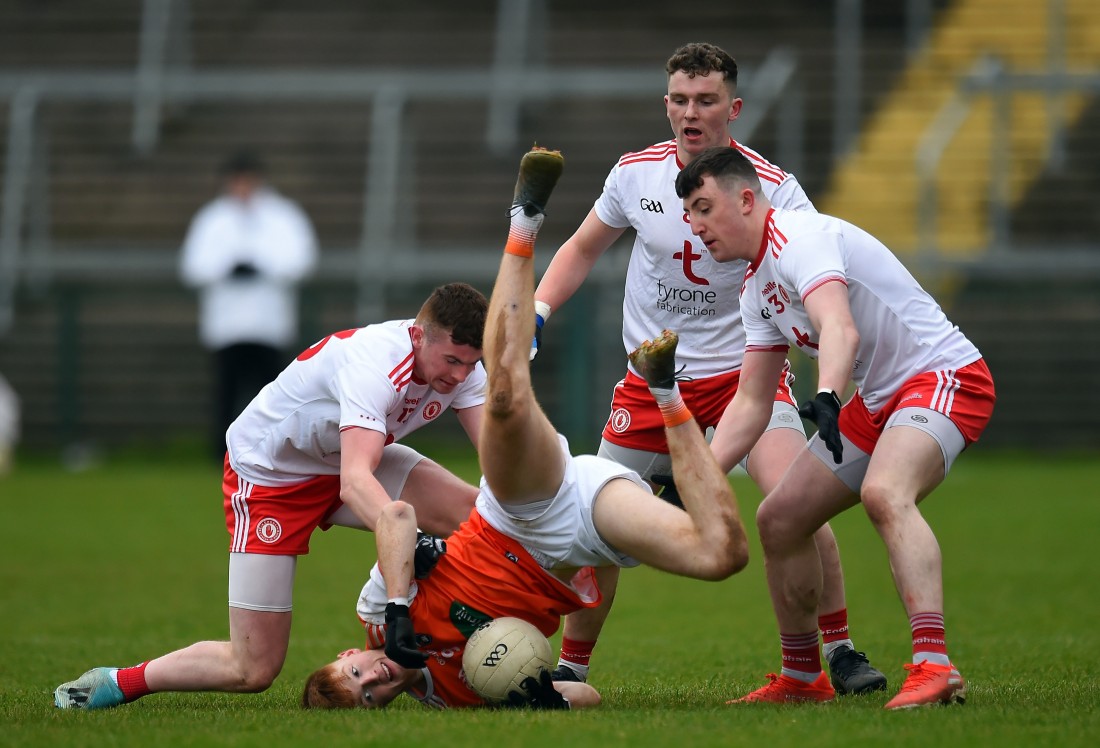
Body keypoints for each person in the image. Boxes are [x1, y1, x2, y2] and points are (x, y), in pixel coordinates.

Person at [300, 146, 749, 711]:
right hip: (572, 545)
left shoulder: (375, 617)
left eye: (358, 671)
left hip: (521, 512)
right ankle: (666, 393)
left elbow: (398, 524)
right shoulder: (456, 699)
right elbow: (588, 697)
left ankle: (524, 220)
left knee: (506, 397)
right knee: (722, 556)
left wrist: (397, 605)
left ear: (349, 650)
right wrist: (541, 698)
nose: (377, 676)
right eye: (372, 695)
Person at [532, 41, 885, 695]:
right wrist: (540, 309)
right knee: (595, 517)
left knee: (795, 506)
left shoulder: (774, 188)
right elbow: (582, 248)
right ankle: (571, 668)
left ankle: (839, 652)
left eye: (706, 100)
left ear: (734, 107)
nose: (690, 113)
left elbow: (813, 264)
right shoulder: (634, 174)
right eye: (679, 100)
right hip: (650, 382)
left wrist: (826, 350)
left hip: (743, 378)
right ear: (665, 103)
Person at [53, 282, 491, 710]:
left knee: (483, 515)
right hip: (272, 477)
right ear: (417, 336)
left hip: (346, 454)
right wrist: (399, 605)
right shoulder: (373, 366)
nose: (458, 375)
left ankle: (561, 656)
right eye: (451, 360)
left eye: (470, 364)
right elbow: (355, 482)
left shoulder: (465, 371)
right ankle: (117, 683)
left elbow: (501, 473)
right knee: (253, 668)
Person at [675, 145, 995, 708]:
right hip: (879, 400)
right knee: (779, 517)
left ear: (746, 199)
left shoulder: (801, 237)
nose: (696, 227)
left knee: (885, 492)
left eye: (703, 208)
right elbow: (750, 402)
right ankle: (803, 676)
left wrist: (826, 393)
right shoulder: (756, 286)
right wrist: (692, 480)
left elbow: (838, 329)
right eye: (690, 215)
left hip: (943, 376)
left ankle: (934, 665)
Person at [180, 150, 319, 461]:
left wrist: (262, 266)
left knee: (271, 392)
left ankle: (274, 451)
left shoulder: (283, 216)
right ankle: (224, 453)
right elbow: (193, 265)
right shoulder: (212, 218)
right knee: (226, 391)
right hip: (227, 324)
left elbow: (301, 259)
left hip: (268, 322)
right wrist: (227, 268)